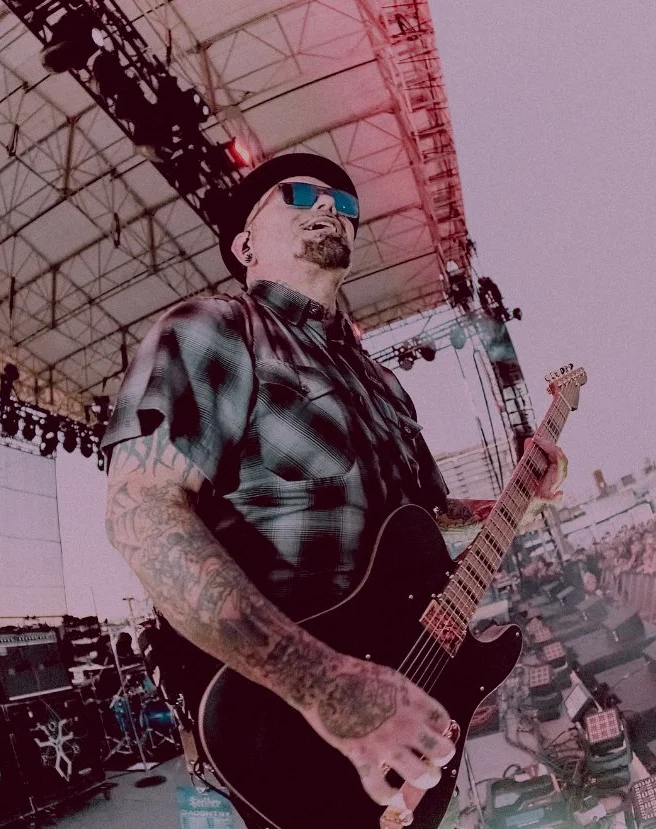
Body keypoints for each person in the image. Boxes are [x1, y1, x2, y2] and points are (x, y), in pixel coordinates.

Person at [101, 153, 566, 822]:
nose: (331, 209)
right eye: (299, 194)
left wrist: (518, 497)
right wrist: (325, 684)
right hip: (290, 727)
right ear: (244, 244)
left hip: (410, 709)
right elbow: (139, 512)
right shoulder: (214, 331)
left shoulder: (384, 384)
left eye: (346, 205)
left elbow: (430, 524)